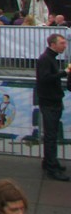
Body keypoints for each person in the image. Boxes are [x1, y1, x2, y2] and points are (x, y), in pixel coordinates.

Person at [35, 33, 70, 181]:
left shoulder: (50, 58)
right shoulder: (46, 59)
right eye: (62, 43)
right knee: (50, 135)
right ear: (53, 44)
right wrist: (64, 73)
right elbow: (44, 79)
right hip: (49, 101)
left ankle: (50, 161)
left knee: (52, 134)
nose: (65, 45)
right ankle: (51, 167)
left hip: (52, 100)